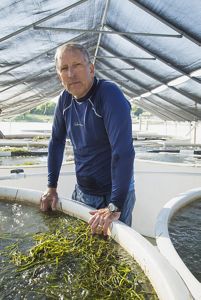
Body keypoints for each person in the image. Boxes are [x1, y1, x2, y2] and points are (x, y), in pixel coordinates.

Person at [40, 43, 135, 236]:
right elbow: (56, 142)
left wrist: (114, 206)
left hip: (113, 194)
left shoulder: (109, 95)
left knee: (113, 254)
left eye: (77, 65)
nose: (71, 74)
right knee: (84, 251)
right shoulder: (64, 101)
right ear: (59, 76)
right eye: (64, 68)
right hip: (83, 192)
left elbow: (122, 152)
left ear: (91, 69)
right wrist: (51, 187)